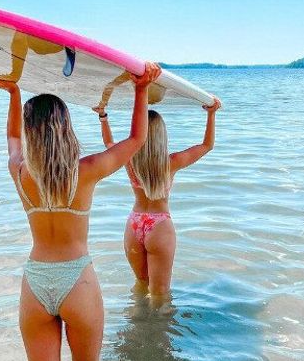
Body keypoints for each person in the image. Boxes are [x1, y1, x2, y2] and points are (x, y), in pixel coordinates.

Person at [0, 62, 161, 361]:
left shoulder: (19, 172)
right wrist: (141, 87)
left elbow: (13, 141)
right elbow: (136, 141)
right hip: (76, 281)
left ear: (32, 133)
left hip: (34, 284)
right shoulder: (86, 171)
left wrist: (14, 94)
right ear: (65, 129)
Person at [93, 95, 220, 300]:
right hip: (159, 226)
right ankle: (157, 331)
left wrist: (103, 116)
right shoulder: (172, 162)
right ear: (162, 136)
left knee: (141, 286)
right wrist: (211, 114)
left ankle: (137, 328)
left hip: (135, 224)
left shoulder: (129, 159)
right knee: (160, 296)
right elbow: (207, 145)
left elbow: (109, 143)